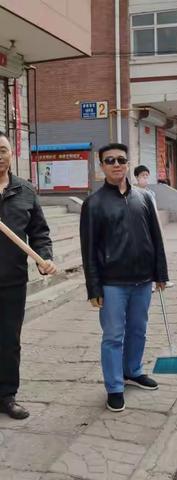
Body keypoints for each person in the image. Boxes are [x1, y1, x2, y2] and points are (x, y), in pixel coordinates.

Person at [80, 143, 169, 413]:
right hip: (112, 284)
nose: (116, 164)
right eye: (110, 160)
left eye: (121, 159)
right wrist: (94, 287)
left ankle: (133, 370)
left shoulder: (143, 198)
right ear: (101, 166)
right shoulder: (93, 204)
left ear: (128, 164)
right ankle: (115, 387)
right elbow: (89, 250)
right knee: (113, 336)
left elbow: (156, 237)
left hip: (142, 280)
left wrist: (160, 273)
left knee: (138, 330)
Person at [0, 131, 57, 420]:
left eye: (3, 149)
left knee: (9, 341)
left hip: (12, 281)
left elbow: (39, 231)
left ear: (11, 154)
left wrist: (44, 257)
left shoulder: (24, 190)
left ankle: (7, 396)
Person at [134, 165, 174, 290]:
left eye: (146, 176)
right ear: (136, 177)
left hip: (155, 225)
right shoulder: (134, 194)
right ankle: (148, 282)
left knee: (159, 252)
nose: (145, 178)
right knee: (146, 255)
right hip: (143, 228)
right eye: (142, 176)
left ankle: (161, 278)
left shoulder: (151, 193)